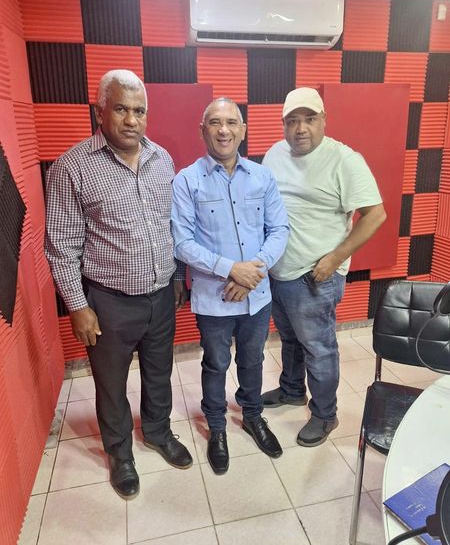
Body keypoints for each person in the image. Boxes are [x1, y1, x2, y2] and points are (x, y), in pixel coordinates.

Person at [44, 69, 193, 500]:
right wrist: (78, 306)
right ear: (100, 112)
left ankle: (158, 432)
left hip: (161, 295)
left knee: (160, 372)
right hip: (108, 302)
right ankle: (120, 453)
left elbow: (171, 227)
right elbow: (61, 246)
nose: (131, 120)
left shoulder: (162, 158)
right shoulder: (73, 167)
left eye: (139, 111)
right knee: (110, 384)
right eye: (121, 109)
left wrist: (177, 276)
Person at [262, 87, 386, 447]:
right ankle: (291, 390)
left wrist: (335, 259)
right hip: (278, 272)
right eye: (292, 121)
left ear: (324, 120)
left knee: (318, 348)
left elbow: (375, 215)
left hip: (314, 276)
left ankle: (325, 414)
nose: (301, 128)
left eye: (309, 119)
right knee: (290, 339)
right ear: (284, 124)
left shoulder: (345, 160)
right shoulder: (274, 154)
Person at [171, 98, 290, 474]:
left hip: (257, 294)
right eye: (215, 122)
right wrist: (231, 270)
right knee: (216, 363)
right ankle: (217, 427)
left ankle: (253, 416)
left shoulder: (262, 177)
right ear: (202, 130)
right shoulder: (186, 180)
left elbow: (279, 229)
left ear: (242, 130)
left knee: (253, 360)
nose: (224, 130)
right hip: (214, 297)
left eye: (231, 122)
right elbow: (182, 242)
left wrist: (252, 272)